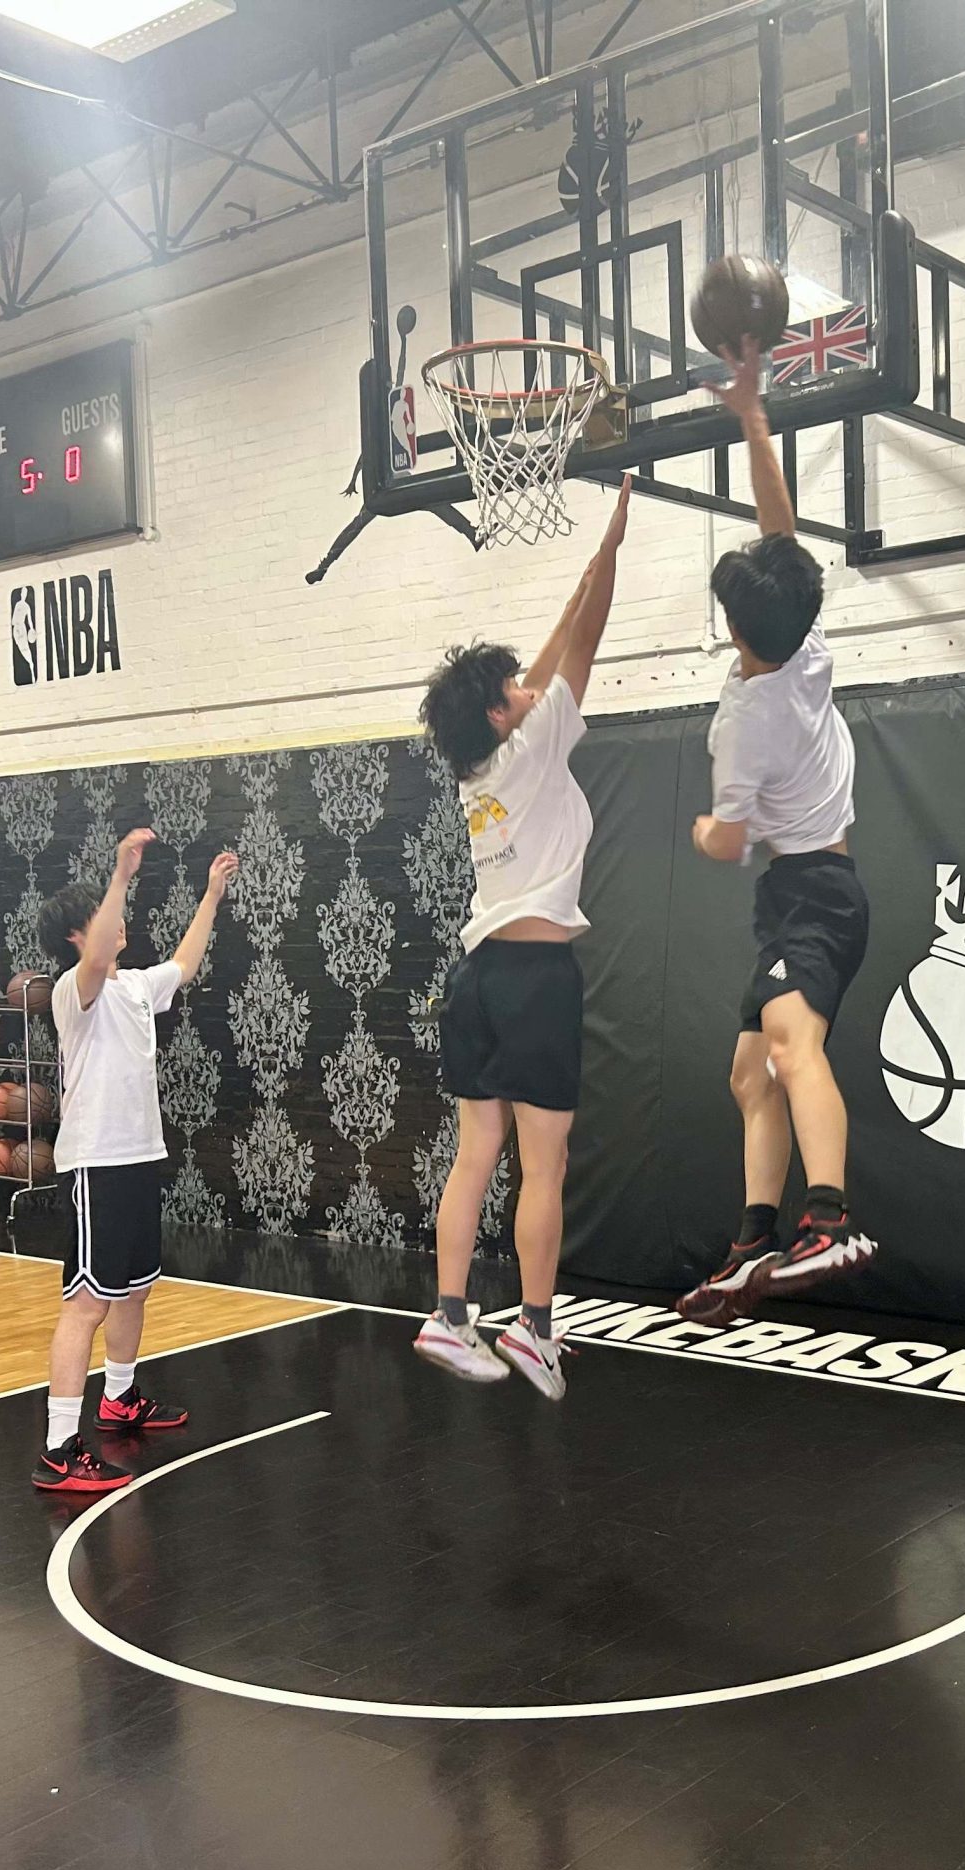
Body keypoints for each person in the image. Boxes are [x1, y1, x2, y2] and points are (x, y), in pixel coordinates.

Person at [411, 477, 633, 1400]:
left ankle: (450, 1314)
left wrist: (579, 575)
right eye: (510, 687)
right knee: (545, 1163)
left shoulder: (481, 768)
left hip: (476, 981)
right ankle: (536, 1329)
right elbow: (581, 643)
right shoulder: (534, 745)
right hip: (537, 978)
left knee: (475, 1155)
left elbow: (541, 664)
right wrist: (610, 553)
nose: (524, 684)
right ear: (503, 714)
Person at [674, 342, 874, 1329]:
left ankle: (827, 1218)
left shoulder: (743, 724)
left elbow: (728, 845)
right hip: (803, 896)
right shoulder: (806, 649)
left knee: (791, 1050)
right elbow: (779, 529)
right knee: (747, 1073)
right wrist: (752, 418)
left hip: (811, 894)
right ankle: (755, 1234)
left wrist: (707, 826)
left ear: (738, 626)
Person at [30, 830, 239, 1492]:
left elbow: (185, 962)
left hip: (139, 1158)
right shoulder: (74, 990)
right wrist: (120, 875)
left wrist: (210, 896)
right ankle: (61, 1446)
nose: (117, 925)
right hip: (95, 1164)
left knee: (135, 1286)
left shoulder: (136, 989)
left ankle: (120, 1399)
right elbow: (96, 957)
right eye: (103, 917)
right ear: (77, 935)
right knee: (87, 1302)